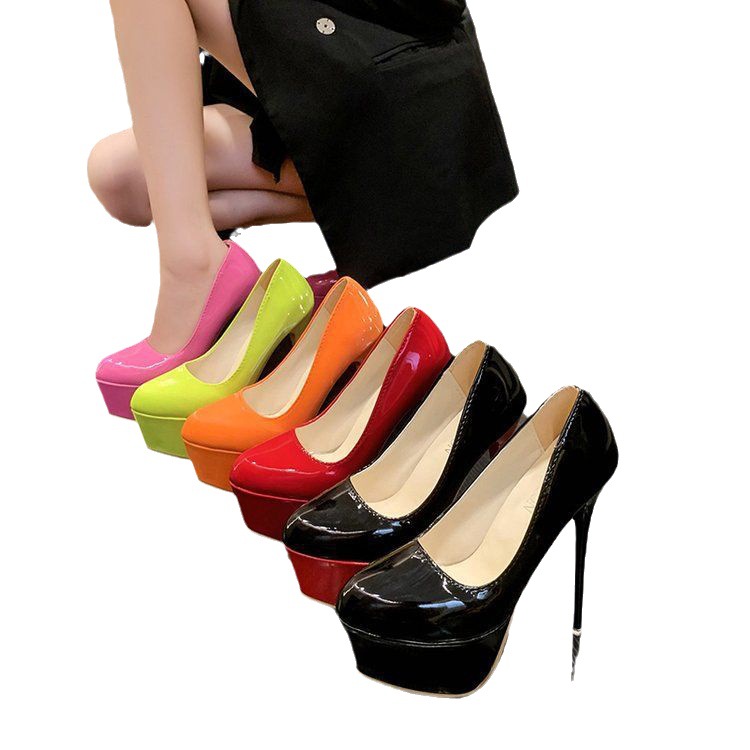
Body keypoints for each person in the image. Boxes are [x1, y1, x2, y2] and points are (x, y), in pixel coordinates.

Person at [89, 0, 517, 355]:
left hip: (394, 67)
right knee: (118, 177)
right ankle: (388, 196)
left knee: (172, 195)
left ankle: (195, 268)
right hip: (321, 87)